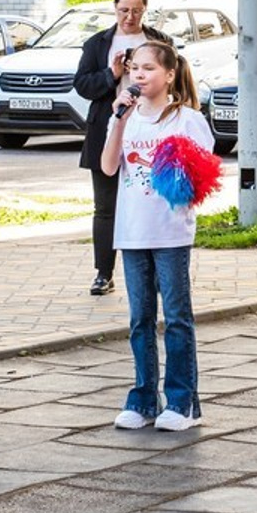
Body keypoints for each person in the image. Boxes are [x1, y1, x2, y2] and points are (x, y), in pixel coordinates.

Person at [102, 40, 214, 431]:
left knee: (178, 318)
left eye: (148, 68)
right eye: (134, 68)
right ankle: (143, 397)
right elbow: (108, 165)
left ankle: (182, 403)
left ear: (169, 75)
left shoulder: (186, 119)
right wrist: (118, 119)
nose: (139, 75)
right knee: (140, 319)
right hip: (131, 231)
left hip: (169, 232)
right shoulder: (126, 116)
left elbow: (202, 174)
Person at [73, 0, 171, 296]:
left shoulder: (159, 41)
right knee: (106, 206)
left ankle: (156, 271)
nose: (130, 17)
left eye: (137, 10)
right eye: (124, 10)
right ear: (114, 7)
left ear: (145, 8)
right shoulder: (98, 44)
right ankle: (104, 272)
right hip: (109, 130)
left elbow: (176, 79)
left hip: (152, 132)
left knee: (154, 199)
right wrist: (112, 75)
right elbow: (83, 85)